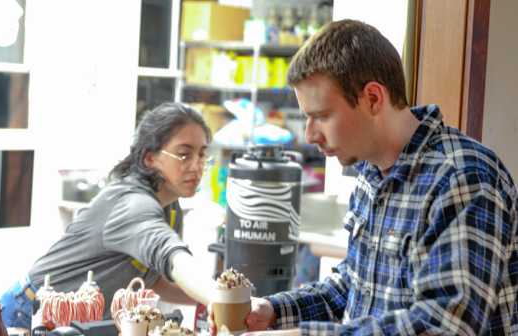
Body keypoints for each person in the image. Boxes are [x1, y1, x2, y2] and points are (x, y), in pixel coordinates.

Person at [208, 19, 518, 336]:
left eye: (322, 116)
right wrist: (275, 311)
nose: (310, 134)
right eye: (306, 117)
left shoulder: (463, 177)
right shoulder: (371, 174)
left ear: (372, 98)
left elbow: (442, 326)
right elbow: (355, 285)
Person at [1, 102, 215, 329]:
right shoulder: (132, 204)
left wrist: (221, 299)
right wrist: (224, 299)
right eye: (184, 155)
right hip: (31, 311)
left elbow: (155, 281)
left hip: (77, 323)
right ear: (149, 157)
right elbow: (172, 258)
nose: (197, 166)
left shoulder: (171, 209)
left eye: (202, 155)